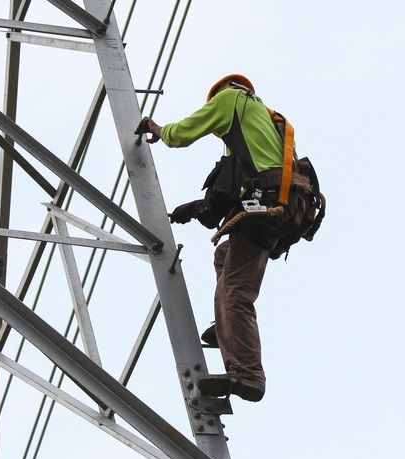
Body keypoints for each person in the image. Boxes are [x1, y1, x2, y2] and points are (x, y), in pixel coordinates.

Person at [135, 74, 324, 403]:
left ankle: (248, 373)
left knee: (235, 292)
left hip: (269, 204)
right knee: (225, 257)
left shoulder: (230, 100)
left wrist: (158, 129)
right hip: (289, 206)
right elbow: (229, 193)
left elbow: (182, 134)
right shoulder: (265, 123)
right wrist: (196, 208)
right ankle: (227, 327)